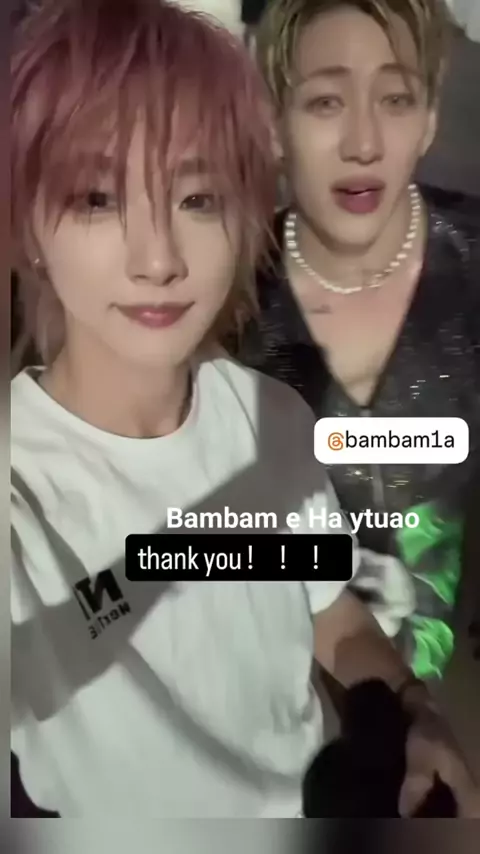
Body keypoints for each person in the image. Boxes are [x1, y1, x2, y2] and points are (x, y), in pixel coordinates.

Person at [11, 0, 477, 818]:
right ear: (30, 229)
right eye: (97, 197)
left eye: (197, 198)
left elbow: (332, 614)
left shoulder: (271, 416)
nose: (159, 258)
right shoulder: (20, 486)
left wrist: (416, 710)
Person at [237, 0, 480, 681]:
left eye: (396, 99)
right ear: (274, 122)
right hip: (272, 692)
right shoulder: (222, 302)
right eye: (326, 102)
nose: (364, 143)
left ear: (429, 117)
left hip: (434, 695)